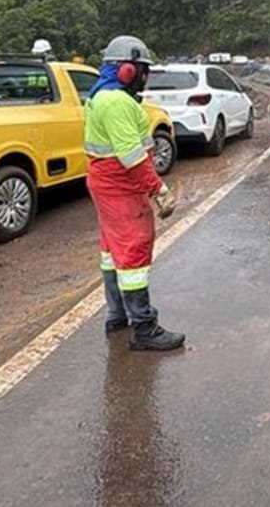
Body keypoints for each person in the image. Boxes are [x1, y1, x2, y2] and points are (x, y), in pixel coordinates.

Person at [84, 34, 184, 351]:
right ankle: (144, 328)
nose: (144, 77)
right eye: (142, 70)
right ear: (127, 70)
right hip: (121, 186)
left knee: (112, 249)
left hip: (108, 183)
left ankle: (117, 316)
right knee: (134, 252)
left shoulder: (103, 96)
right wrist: (159, 190)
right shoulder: (115, 102)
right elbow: (132, 158)